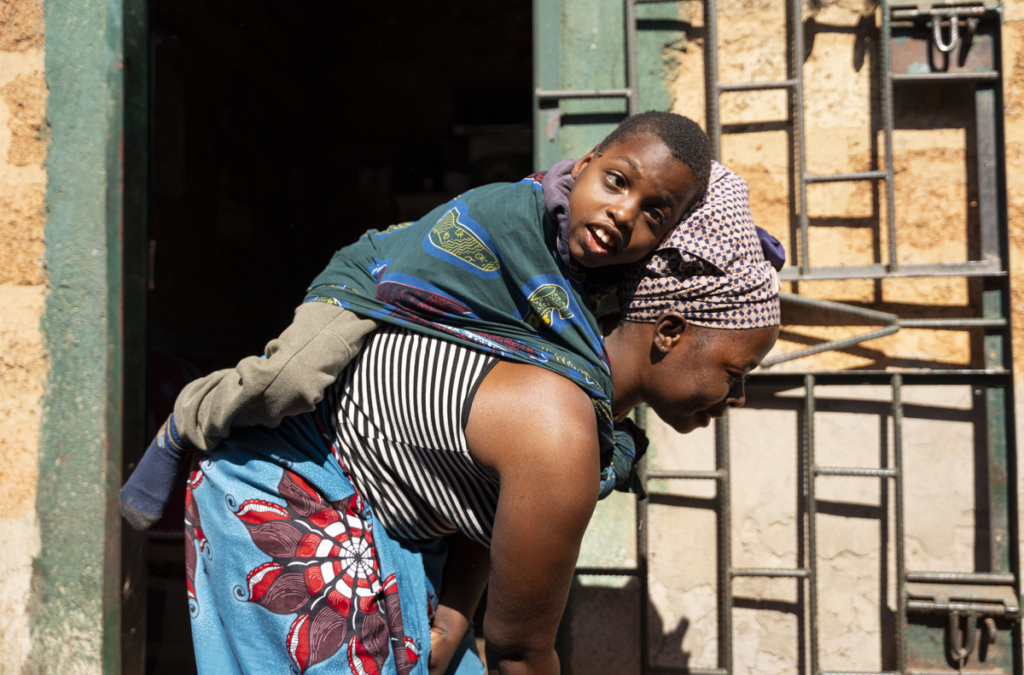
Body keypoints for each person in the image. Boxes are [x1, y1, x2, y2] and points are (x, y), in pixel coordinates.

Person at [181, 194, 780, 674]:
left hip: (389, 523)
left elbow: (482, 503)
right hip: (289, 497)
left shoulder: (573, 393)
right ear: (670, 330)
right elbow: (518, 653)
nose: (738, 396)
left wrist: (453, 616)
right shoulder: (558, 423)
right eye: (736, 371)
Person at [122, 111, 768, 530]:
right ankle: (190, 416)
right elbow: (575, 355)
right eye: (617, 182)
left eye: (655, 214)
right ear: (587, 162)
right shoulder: (509, 213)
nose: (624, 214)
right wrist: (607, 432)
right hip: (374, 285)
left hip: (446, 314)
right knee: (288, 384)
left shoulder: (593, 269)